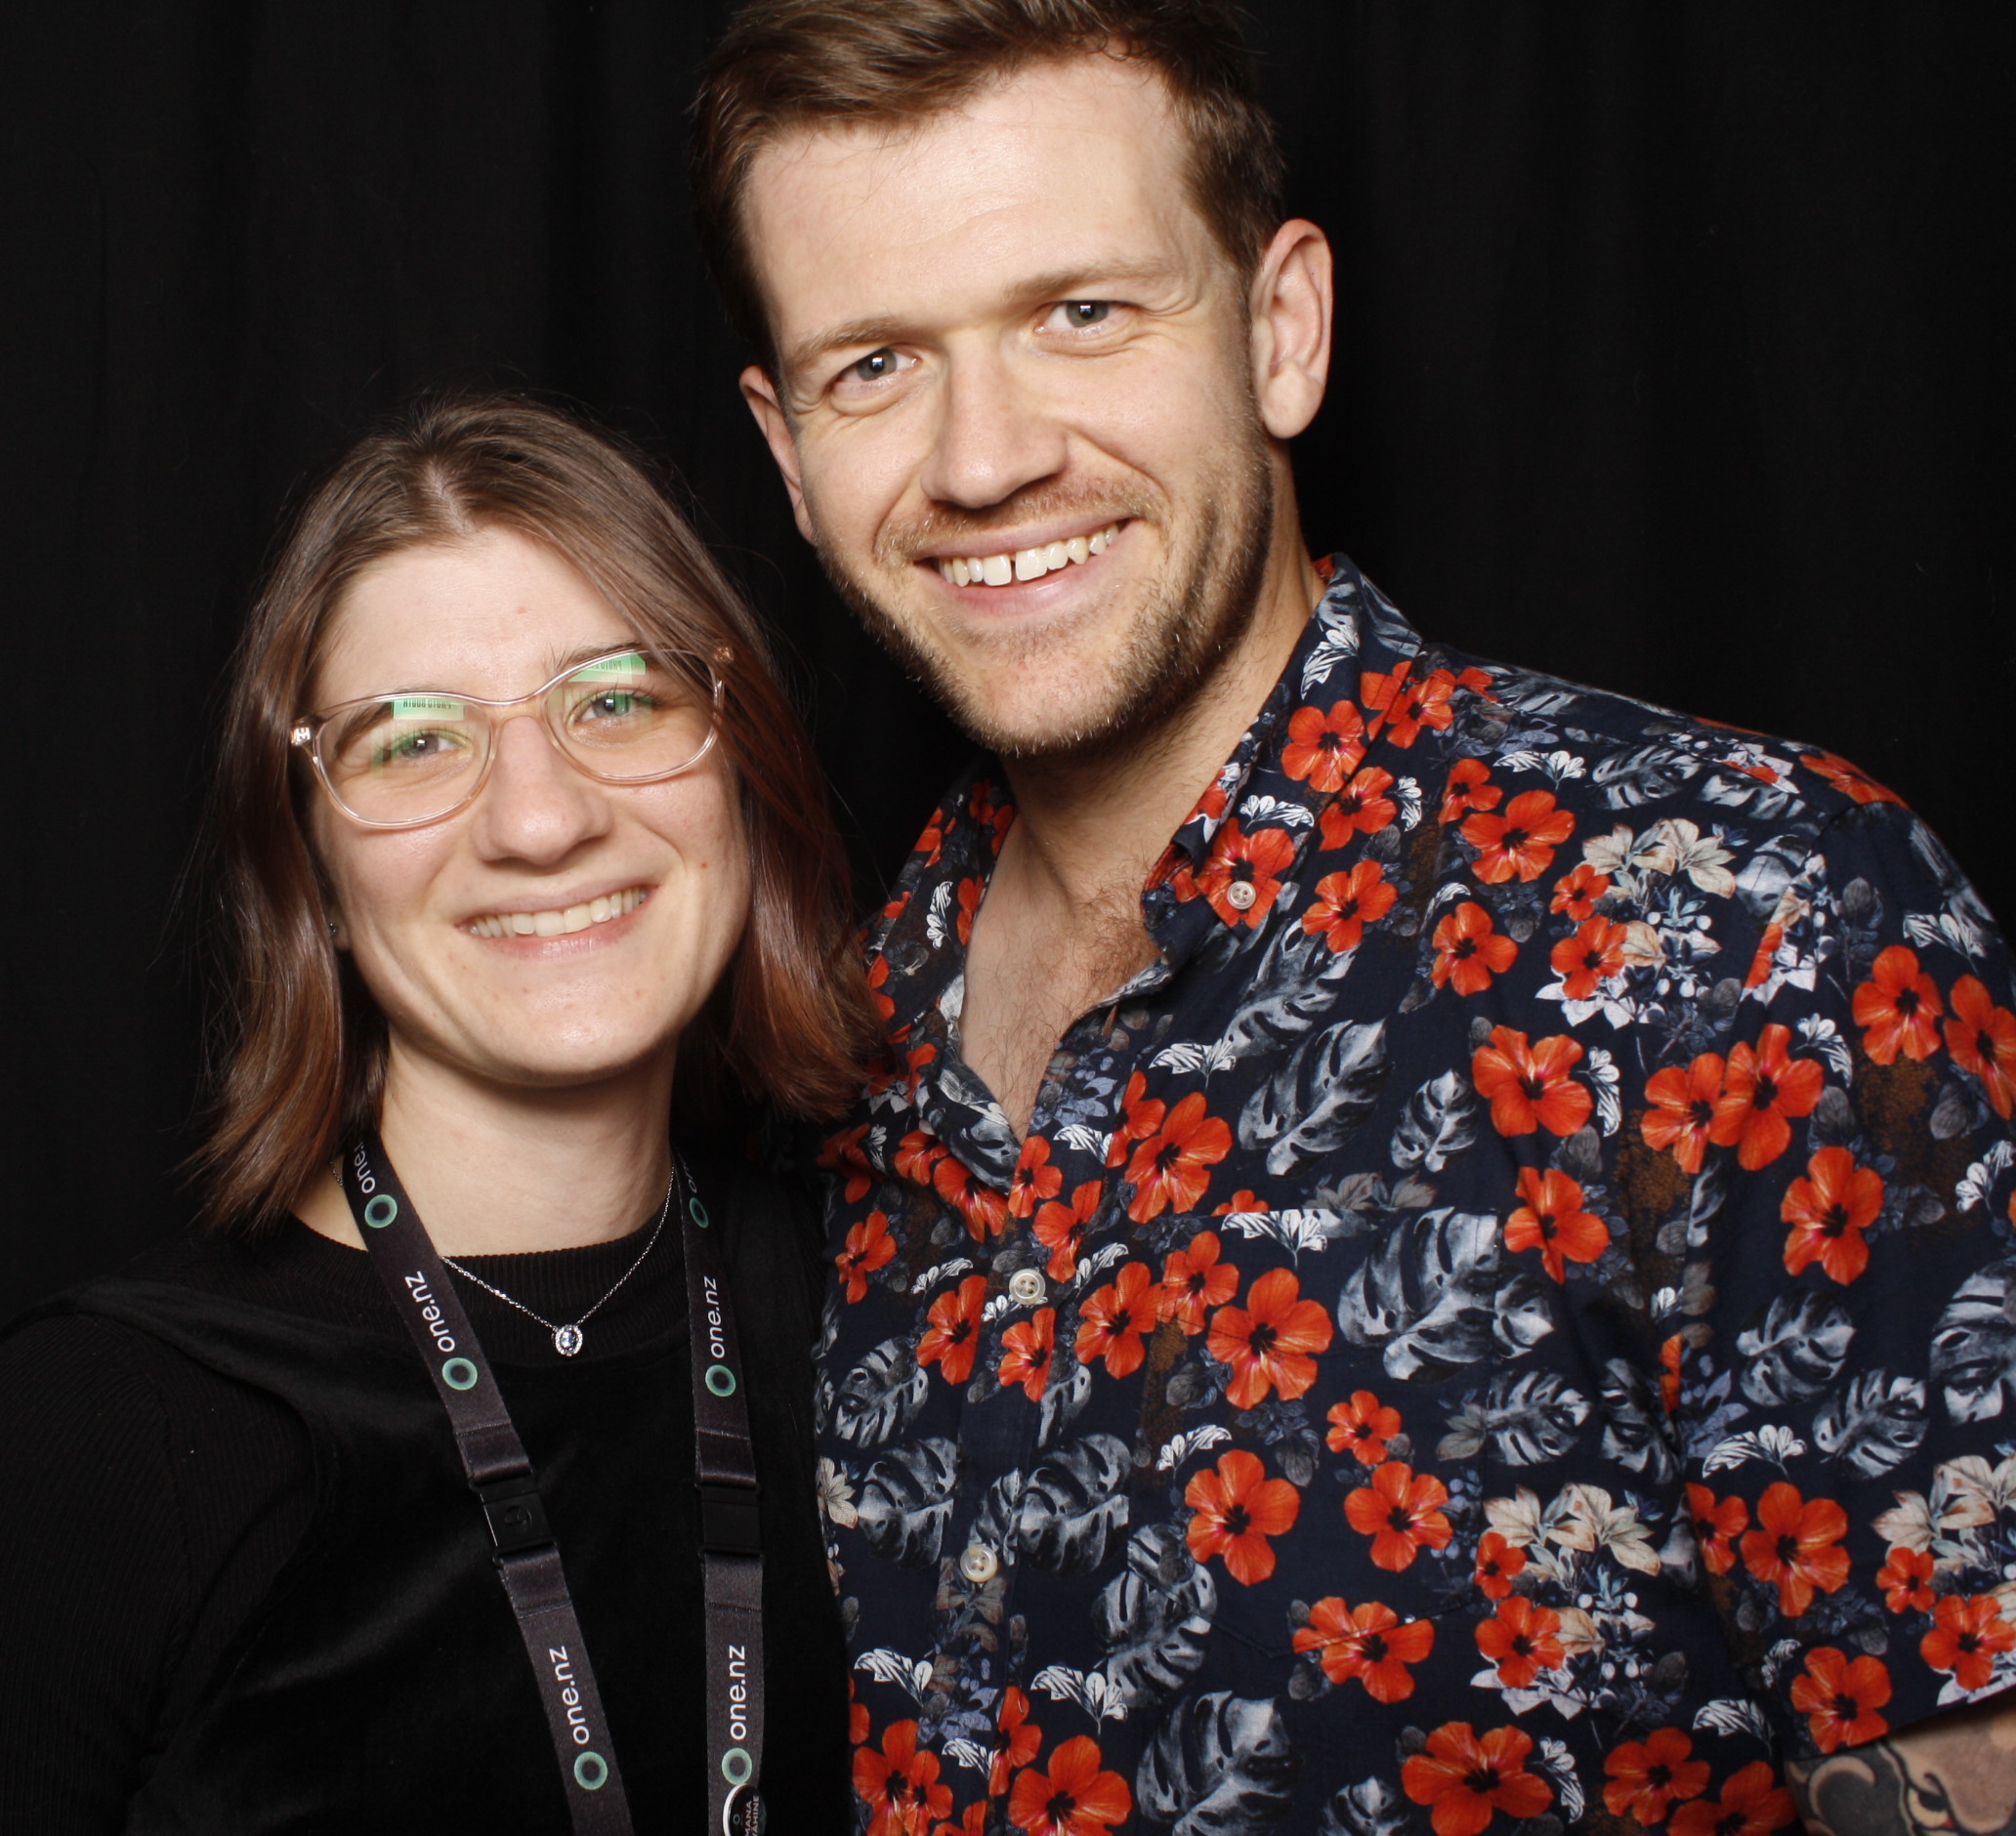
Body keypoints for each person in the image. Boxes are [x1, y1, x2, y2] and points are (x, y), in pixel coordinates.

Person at [690, 4, 2016, 1831]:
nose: (982, 458)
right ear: (786, 450)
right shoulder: (816, 1056)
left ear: (1279, 328)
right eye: (875, 367)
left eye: (1081, 313)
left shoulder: (1750, 919)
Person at [0, 394, 869, 1834]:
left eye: (618, 699)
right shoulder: (97, 1439)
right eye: (414, 743)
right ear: (309, 869)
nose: (539, 817)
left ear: (736, 759)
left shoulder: (885, 1322)